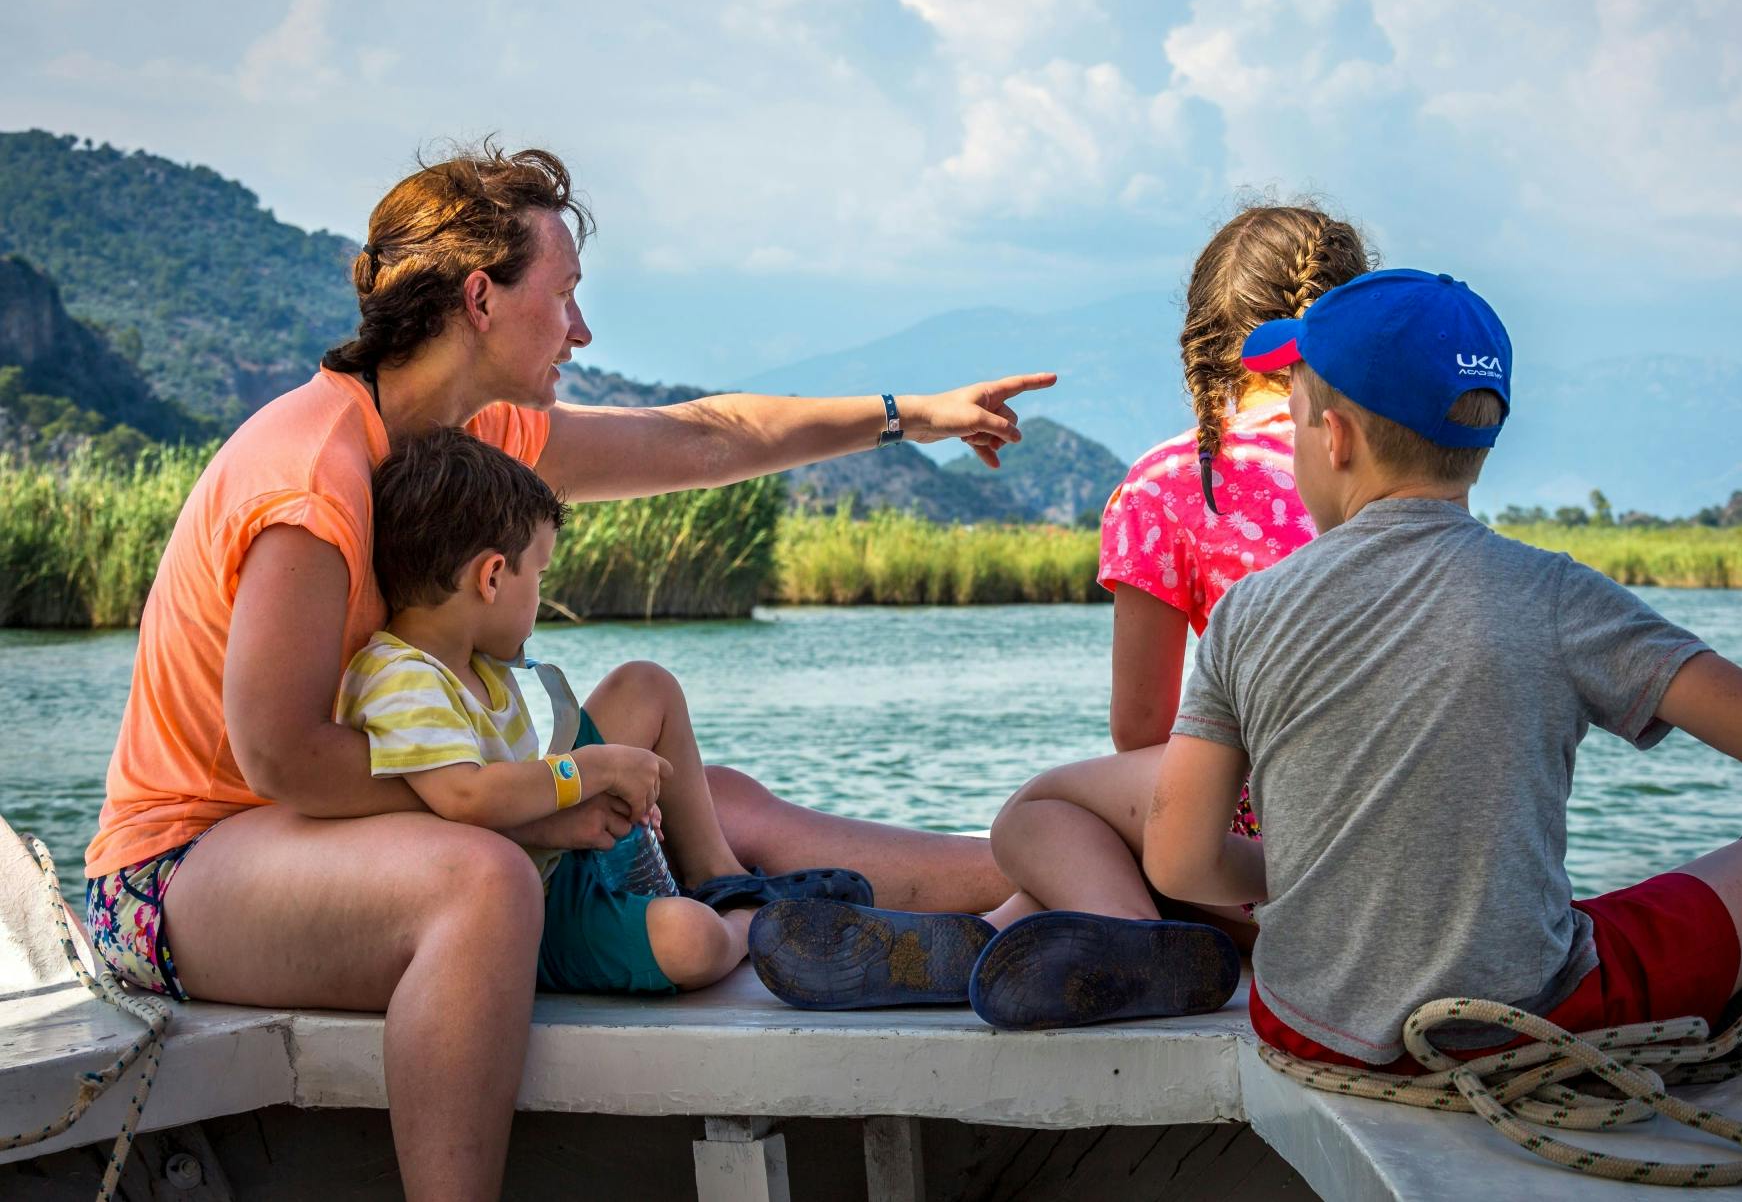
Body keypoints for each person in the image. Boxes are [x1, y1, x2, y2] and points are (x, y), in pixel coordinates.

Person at [83, 143, 1047, 1201]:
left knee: (689, 792)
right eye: (568, 295)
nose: (582, 330)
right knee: (480, 880)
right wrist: (527, 808)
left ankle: (1041, 880)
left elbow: (701, 439)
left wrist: (913, 411)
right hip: (188, 867)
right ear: (480, 297)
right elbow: (282, 756)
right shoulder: (313, 482)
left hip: (343, 829)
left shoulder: (468, 436)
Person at [1141, 268, 1742, 1071]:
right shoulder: (1555, 595)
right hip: (1518, 1022)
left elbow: (1179, 860)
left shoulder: (1247, 613)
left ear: (1336, 439)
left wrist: (1306, 870)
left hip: (1305, 1024)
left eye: (1296, 424)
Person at [747, 205, 1373, 1023]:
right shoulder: (1390, 468)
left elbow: (1141, 731)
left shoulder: (1169, 482)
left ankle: (1079, 934)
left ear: (1204, 340)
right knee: (1155, 819)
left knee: (1052, 816)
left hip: (1256, 868)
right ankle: (993, 939)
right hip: (1394, 852)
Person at [341, 426, 872, 997]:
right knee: (691, 941)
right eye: (539, 574)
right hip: (526, 912)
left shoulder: (475, 661)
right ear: (492, 577)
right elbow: (466, 798)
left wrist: (583, 800)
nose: (540, 596)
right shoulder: (404, 680)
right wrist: (594, 772)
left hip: (550, 854)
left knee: (644, 686)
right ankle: (754, 926)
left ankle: (720, 878)